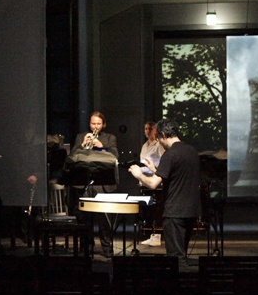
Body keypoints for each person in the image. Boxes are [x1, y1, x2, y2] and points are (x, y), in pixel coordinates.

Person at [129, 118, 202, 271]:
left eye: (158, 138)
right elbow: (177, 176)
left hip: (175, 212)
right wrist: (156, 169)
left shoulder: (170, 154)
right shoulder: (191, 151)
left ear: (162, 134)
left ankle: (181, 291)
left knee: (176, 259)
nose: (158, 142)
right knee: (182, 254)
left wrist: (138, 174)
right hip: (191, 211)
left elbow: (153, 184)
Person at [67, 111, 118, 257]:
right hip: (85, 184)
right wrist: (82, 145)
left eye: (98, 124)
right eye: (93, 123)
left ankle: (107, 248)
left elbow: (114, 157)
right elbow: (72, 158)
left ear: (103, 124)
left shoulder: (110, 138)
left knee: (104, 219)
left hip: (102, 184)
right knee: (84, 219)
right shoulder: (81, 137)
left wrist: (101, 146)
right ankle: (86, 247)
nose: (95, 126)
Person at [138, 120, 163, 247]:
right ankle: (149, 233)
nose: (147, 131)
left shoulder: (158, 145)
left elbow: (162, 161)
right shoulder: (144, 145)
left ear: (155, 130)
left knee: (156, 208)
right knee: (147, 209)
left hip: (155, 179)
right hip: (144, 180)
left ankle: (157, 235)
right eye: (146, 128)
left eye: (150, 128)